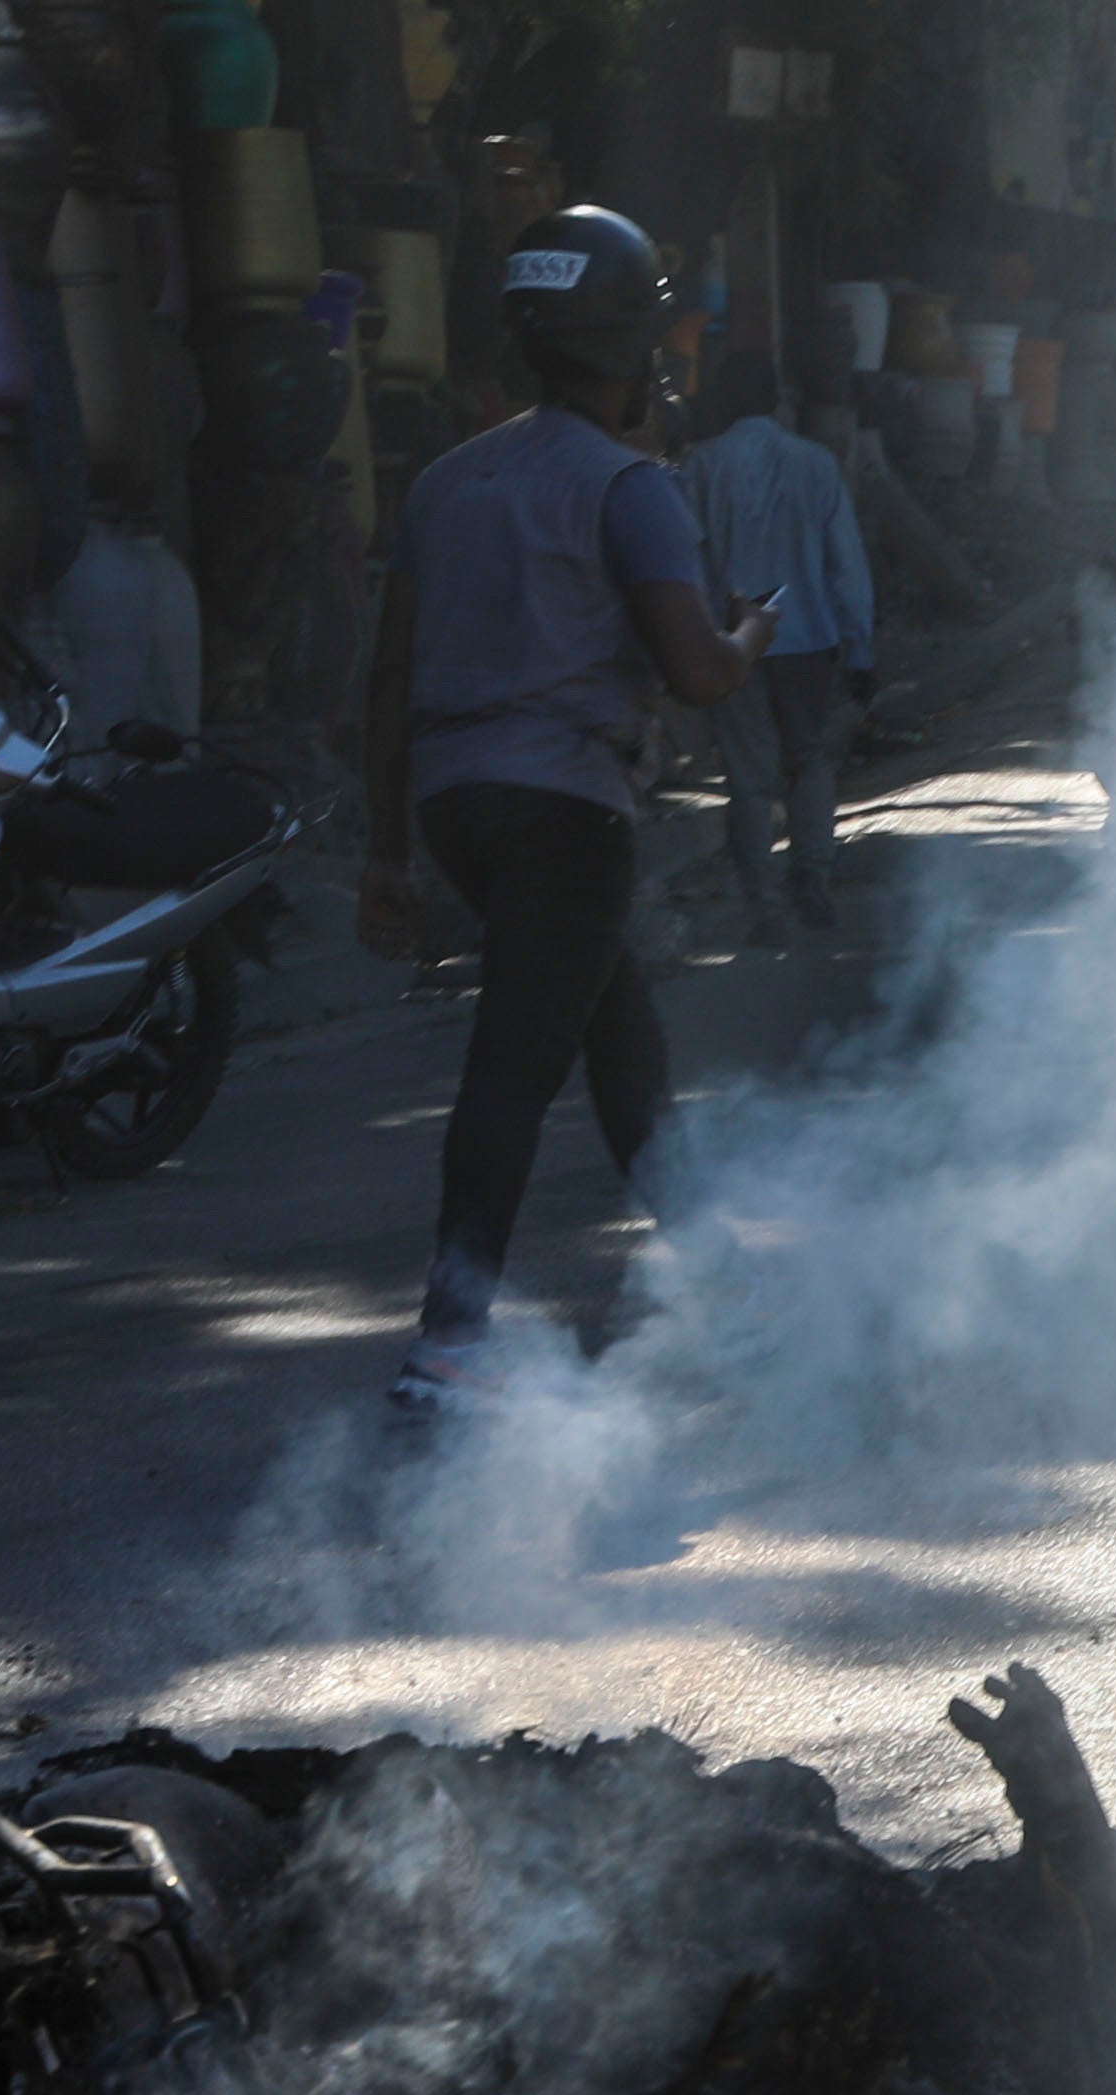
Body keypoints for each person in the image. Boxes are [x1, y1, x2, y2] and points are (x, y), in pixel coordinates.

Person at [357, 207, 751, 1419]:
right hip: (565, 813)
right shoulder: (627, 486)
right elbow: (694, 669)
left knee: (622, 1043)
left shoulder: (445, 480)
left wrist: (385, 854)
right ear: (630, 340)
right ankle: (449, 1337)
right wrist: (756, 639)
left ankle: (726, 1296)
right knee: (518, 1065)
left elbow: (386, 680)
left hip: (459, 806)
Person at [674, 356, 870, 940]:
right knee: (809, 761)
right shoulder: (817, 464)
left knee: (748, 776)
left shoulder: (701, 468)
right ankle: (812, 875)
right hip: (808, 639)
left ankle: (765, 904)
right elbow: (846, 566)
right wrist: (860, 650)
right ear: (777, 400)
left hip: (732, 642)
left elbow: (685, 562)